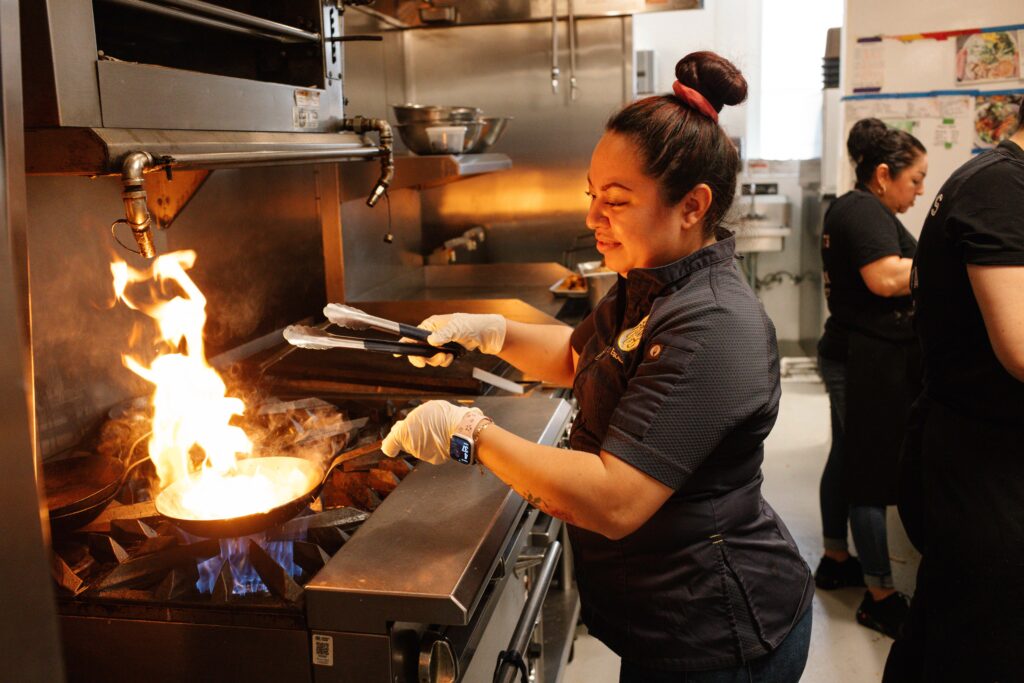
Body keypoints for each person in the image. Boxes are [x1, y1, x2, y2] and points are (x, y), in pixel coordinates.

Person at [381, 51, 813, 682]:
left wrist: (469, 435)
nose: (592, 219)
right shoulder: (651, 280)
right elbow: (575, 357)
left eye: (615, 200)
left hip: (719, 634)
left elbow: (615, 500)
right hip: (662, 620)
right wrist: (487, 332)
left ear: (692, 206)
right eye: (592, 195)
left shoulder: (713, 326)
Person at [883, 119, 1024, 680]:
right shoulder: (999, 188)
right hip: (981, 466)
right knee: (977, 642)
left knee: (946, 629)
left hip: (980, 454)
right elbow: (1019, 348)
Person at [813, 118, 927, 638]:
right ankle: (879, 595)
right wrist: (951, 264)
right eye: (915, 179)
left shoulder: (861, 208)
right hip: (863, 358)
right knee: (870, 469)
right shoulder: (861, 210)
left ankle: (837, 559)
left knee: (847, 455)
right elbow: (884, 279)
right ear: (883, 174)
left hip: (859, 353)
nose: (919, 190)